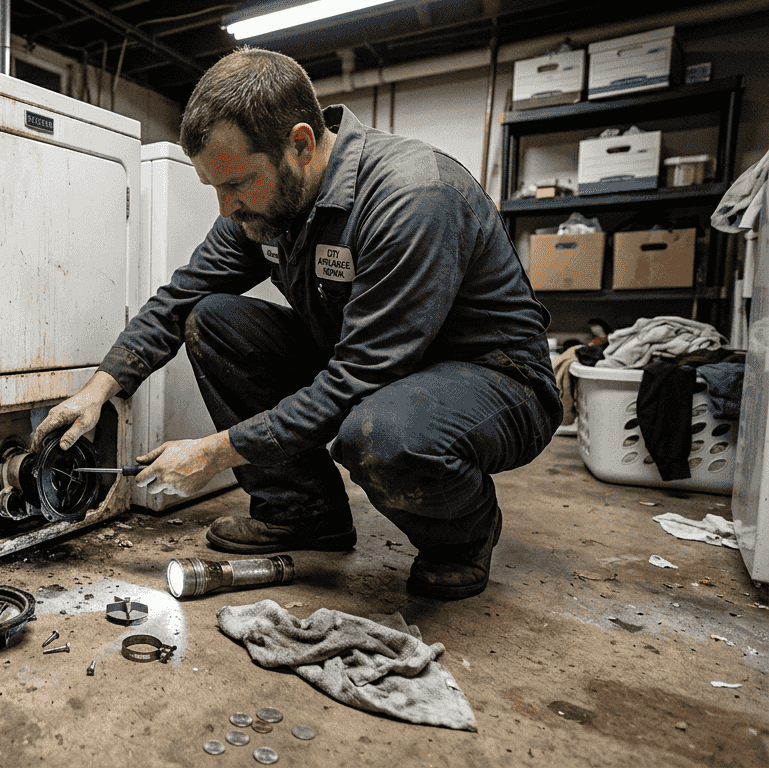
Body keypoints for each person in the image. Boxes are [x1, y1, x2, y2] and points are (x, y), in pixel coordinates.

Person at [34, 46, 562, 600]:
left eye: (237, 184)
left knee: (380, 435)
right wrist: (99, 390)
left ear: (302, 144)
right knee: (211, 318)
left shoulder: (411, 197)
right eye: (214, 187)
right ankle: (303, 513)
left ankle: (462, 538)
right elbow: (180, 295)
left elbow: (355, 380)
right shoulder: (270, 206)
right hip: (372, 366)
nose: (225, 207)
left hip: (493, 379)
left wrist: (214, 452)